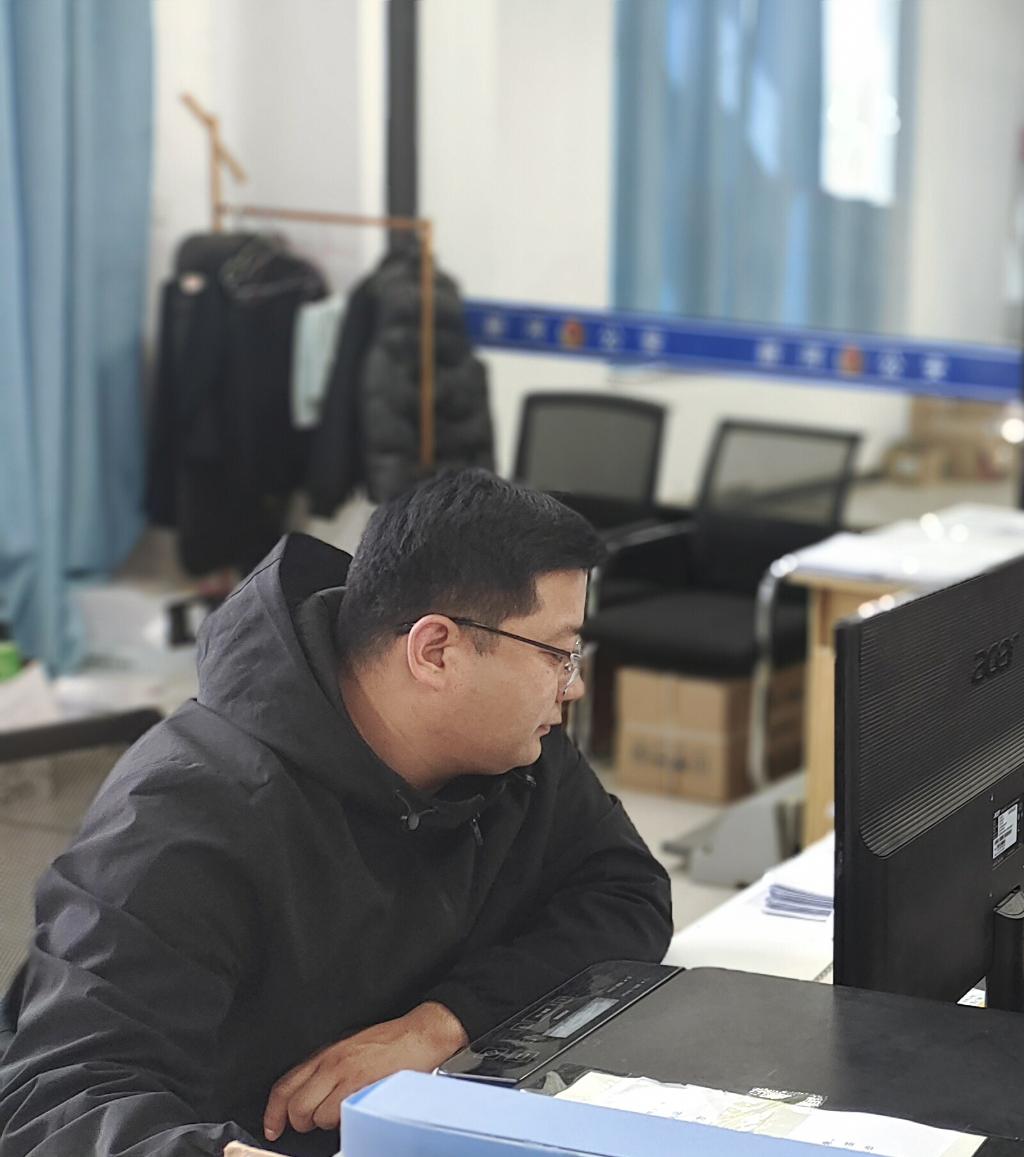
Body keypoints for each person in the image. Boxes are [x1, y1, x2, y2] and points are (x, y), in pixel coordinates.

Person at [0, 469, 673, 1157]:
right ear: (435, 651)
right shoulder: (181, 817)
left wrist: (442, 1023)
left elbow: (627, 893)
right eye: (558, 654)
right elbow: (59, 1102)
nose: (573, 685)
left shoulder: (514, 752)